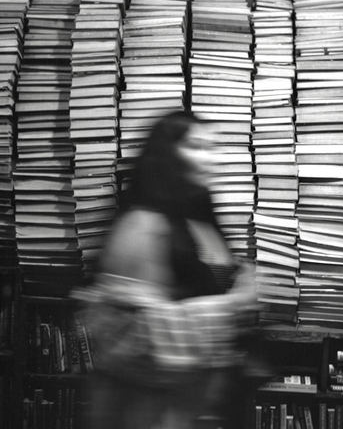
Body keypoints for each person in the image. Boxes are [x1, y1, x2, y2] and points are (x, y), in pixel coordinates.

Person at [72, 111, 260, 429]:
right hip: (150, 414)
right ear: (167, 152)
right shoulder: (141, 226)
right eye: (198, 146)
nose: (214, 158)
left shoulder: (200, 221)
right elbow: (141, 338)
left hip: (197, 408)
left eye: (215, 147)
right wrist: (238, 305)